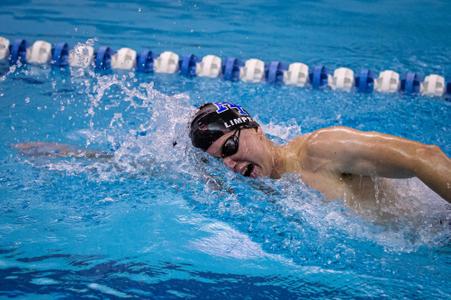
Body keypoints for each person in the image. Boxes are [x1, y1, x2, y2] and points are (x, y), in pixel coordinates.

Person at [189, 102, 451, 207]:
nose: (230, 164)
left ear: (257, 130)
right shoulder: (266, 184)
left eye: (230, 148)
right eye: (219, 160)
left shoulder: (320, 150)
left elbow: (425, 156)